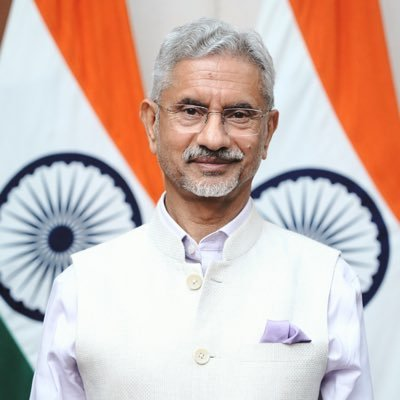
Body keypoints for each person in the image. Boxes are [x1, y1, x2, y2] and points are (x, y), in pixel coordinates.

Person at [30, 17, 373, 399]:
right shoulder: (83, 284)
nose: (213, 138)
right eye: (191, 111)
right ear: (152, 124)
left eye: (239, 114)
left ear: (268, 132)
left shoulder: (326, 280)